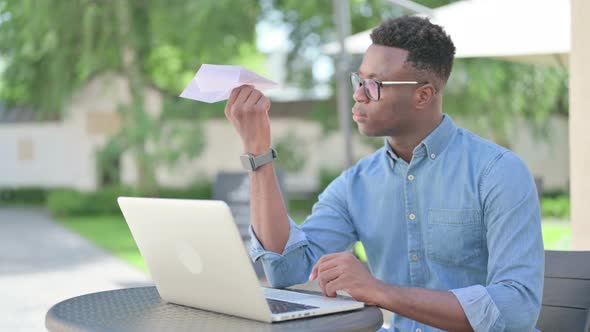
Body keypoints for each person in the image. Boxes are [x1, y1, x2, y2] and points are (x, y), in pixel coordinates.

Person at [224, 16, 544, 332]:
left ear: (423, 95)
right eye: (358, 80)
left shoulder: (498, 172)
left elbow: (516, 310)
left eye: (374, 84)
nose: (359, 94)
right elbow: (286, 271)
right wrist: (259, 153)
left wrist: (379, 291)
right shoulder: (356, 184)